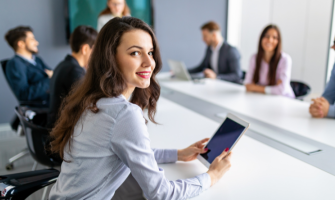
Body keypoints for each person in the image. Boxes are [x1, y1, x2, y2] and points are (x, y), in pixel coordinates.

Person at [48, 17, 232, 200]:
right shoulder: (122, 114)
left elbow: (133, 150)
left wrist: (178, 154)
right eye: (135, 53)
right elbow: (161, 194)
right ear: (110, 57)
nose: (149, 62)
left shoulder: (92, 99)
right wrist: (211, 177)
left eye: (150, 52)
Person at [47, 26, 97, 128]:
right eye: (95, 50)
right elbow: (87, 103)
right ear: (85, 49)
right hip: (63, 131)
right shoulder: (74, 72)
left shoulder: (64, 65)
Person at [244, 25, 295, 98]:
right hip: (262, 98)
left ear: (278, 41)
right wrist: (273, 88)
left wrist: (255, 87)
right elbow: (247, 85)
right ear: (261, 38)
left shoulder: (285, 59)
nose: (270, 40)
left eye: (274, 38)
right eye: (267, 36)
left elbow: (281, 90)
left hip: (284, 99)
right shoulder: (254, 58)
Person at [4, 26, 53, 102]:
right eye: (32, 39)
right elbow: (24, 95)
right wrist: (50, 79)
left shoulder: (37, 59)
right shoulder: (15, 64)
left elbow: (53, 74)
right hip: (44, 106)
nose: (36, 43)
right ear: (21, 44)